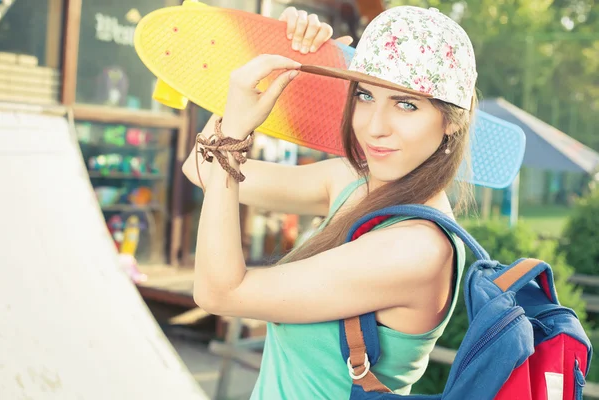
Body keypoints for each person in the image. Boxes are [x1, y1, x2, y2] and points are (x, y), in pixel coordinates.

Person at [182, 5, 478, 398]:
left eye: (407, 104)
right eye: (366, 95)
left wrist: (236, 130)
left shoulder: (417, 249)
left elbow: (219, 292)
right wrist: (290, 67)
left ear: (453, 119)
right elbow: (201, 168)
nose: (375, 127)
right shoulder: (354, 184)